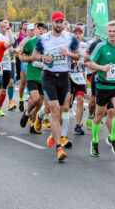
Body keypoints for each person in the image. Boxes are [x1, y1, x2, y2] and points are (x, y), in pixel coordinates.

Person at [31, 11, 80, 161]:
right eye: (56, 22)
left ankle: (55, 133)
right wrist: (43, 58)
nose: (59, 25)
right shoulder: (44, 38)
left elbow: (78, 55)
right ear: (52, 23)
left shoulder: (70, 37)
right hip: (49, 77)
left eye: (61, 22)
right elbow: (34, 55)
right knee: (55, 111)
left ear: (64, 23)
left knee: (65, 109)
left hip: (64, 77)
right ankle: (59, 148)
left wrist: (69, 54)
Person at [87, 21, 115, 157]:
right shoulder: (101, 46)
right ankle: (95, 140)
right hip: (103, 86)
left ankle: (112, 138)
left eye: (114, 31)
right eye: (109, 31)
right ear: (106, 32)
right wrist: (102, 68)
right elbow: (90, 63)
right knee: (99, 115)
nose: (112, 34)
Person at [19, 23, 46, 133]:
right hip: (32, 76)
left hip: (45, 77)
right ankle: (27, 113)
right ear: (34, 30)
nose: (40, 31)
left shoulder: (50, 43)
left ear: (46, 31)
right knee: (34, 98)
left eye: (43, 29)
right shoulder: (30, 43)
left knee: (39, 103)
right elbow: (21, 57)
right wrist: (32, 58)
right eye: (38, 29)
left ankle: (33, 124)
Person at [67, 24, 88, 136]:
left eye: (80, 33)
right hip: (68, 75)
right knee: (68, 101)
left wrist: (83, 63)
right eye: (76, 33)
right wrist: (71, 62)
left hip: (80, 75)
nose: (78, 35)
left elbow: (89, 60)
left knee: (80, 100)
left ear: (82, 34)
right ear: (72, 34)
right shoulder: (68, 45)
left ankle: (78, 125)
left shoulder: (85, 45)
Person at [0, 19, 17, 117]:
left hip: (7, 66)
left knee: (4, 88)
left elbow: (14, 46)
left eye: (5, 26)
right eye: (1, 26)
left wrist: (15, 51)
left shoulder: (11, 36)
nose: (3, 28)